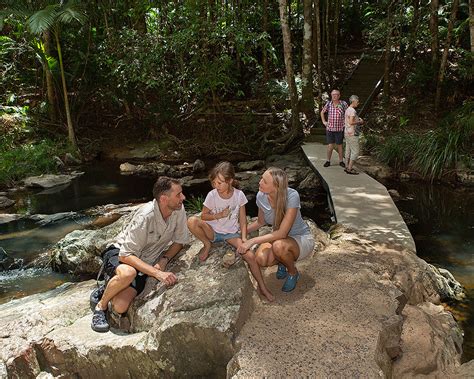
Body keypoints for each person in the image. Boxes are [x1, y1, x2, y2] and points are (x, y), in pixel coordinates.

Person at [90, 176, 189, 333]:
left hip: (144, 261)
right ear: (164, 199)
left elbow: (180, 241)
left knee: (120, 307)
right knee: (128, 273)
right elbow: (125, 255)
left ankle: (108, 287)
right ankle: (100, 307)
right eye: (178, 194)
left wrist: (164, 260)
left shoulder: (178, 210)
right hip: (120, 252)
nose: (183, 197)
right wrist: (157, 273)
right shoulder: (145, 216)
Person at [187, 161, 274, 301]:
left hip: (231, 234)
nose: (216, 186)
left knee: (250, 256)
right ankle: (207, 244)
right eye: (214, 183)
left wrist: (244, 238)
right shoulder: (212, 195)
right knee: (192, 221)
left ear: (230, 181)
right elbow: (203, 215)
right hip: (213, 231)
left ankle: (263, 288)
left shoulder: (239, 196)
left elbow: (243, 220)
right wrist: (218, 215)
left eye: (220, 183)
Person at [237, 167, 315, 294]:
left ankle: (292, 272)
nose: (260, 182)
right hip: (278, 239)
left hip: (300, 238)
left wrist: (251, 241)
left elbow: (282, 233)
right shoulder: (261, 196)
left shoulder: (292, 196)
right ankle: (282, 262)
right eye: (261, 178)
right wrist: (240, 231)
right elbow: (260, 222)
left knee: (279, 246)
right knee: (261, 260)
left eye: (264, 181)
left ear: (276, 186)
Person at [320, 89, 348, 168]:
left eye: (336, 94)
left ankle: (341, 161)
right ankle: (328, 161)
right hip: (330, 129)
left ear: (339, 96)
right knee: (330, 145)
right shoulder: (329, 104)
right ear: (331, 96)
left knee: (340, 145)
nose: (334, 96)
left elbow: (348, 113)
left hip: (340, 129)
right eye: (333, 95)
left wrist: (346, 123)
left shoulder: (343, 103)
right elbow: (322, 112)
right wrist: (324, 122)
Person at [344, 95, 364, 175]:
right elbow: (351, 122)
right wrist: (360, 122)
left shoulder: (347, 109)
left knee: (348, 150)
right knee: (355, 152)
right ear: (354, 101)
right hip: (352, 133)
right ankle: (349, 168)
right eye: (357, 102)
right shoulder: (352, 110)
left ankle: (346, 166)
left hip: (347, 132)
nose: (358, 103)